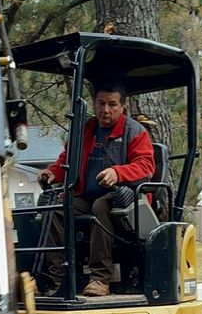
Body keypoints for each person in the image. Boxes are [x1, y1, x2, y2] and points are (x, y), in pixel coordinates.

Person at [38, 80, 155, 297]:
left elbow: (146, 166)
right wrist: (53, 173)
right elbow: (67, 160)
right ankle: (57, 276)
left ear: (123, 106)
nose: (106, 110)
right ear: (94, 104)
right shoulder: (85, 131)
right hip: (86, 197)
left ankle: (100, 278)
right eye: (101, 103)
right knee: (56, 208)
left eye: (112, 104)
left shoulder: (135, 132)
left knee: (100, 207)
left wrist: (118, 173)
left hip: (126, 200)